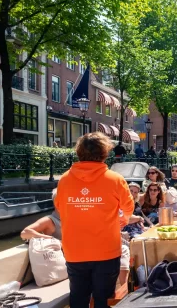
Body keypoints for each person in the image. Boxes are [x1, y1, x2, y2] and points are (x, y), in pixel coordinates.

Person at [54, 132, 134, 308]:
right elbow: (128, 207)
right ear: (105, 153)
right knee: (104, 299)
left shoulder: (65, 180)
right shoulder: (115, 179)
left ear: (79, 152)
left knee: (78, 297)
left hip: (75, 250)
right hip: (106, 250)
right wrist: (124, 218)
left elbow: (59, 207)